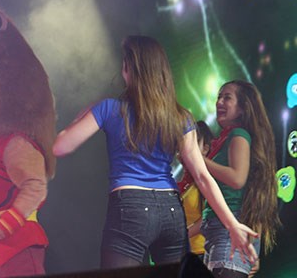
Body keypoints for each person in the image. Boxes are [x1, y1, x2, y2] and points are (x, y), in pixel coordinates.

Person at [52, 35, 258, 270]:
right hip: (170, 209)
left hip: (129, 207)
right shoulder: (180, 117)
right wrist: (232, 224)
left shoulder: (109, 108)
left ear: (129, 68)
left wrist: (87, 113)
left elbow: (60, 146)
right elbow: (202, 176)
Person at [201, 80, 280, 277]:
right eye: (219, 97)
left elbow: (237, 179)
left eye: (227, 98)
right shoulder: (226, 139)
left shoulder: (239, 134)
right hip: (218, 230)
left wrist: (198, 160)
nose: (219, 102)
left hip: (229, 230)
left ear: (242, 109)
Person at [178, 120, 214, 260]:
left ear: (205, 149)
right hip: (183, 254)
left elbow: (209, 217)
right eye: (181, 144)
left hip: (202, 253)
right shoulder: (183, 182)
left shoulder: (207, 180)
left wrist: (181, 236)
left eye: (192, 143)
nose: (185, 149)